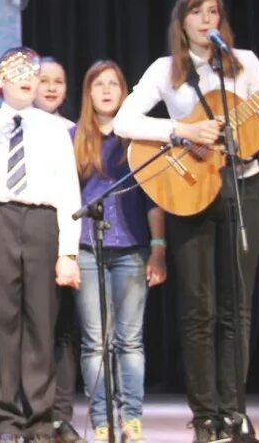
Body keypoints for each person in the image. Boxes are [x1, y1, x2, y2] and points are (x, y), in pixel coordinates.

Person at [112, 0, 259, 443]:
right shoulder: (165, 70)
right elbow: (124, 122)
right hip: (189, 190)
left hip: (243, 188)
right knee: (198, 309)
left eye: (213, 11)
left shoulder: (245, 63)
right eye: (196, 12)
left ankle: (235, 413)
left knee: (238, 309)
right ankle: (205, 417)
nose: (206, 19)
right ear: (182, 21)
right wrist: (182, 129)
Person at [0, 47, 82, 443]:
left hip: (42, 223)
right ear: (0, 78)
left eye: (32, 69)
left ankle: (40, 421)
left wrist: (68, 253)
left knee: (41, 323)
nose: (27, 76)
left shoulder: (55, 128)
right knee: (1, 324)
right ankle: (4, 421)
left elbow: (69, 191)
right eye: (17, 70)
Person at [72, 61, 167, 443]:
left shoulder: (139, 139)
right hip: (86, 247)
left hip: (132, 248)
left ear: (125, 92)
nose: (107, 90)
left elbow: (153, 199)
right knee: (94, 341)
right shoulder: (74, 136)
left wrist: (158, 249)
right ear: (88, 92)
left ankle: (131, 421)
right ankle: (100, 421)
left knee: (129, 341)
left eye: (114, 84)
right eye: (99, 84)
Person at [34, 56, 85, 443]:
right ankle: (32, 412)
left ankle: (61, 416)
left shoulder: (74, 132)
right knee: (31, 328)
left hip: (68, 236)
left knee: (64, 329)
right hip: (27, 234)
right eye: (43, 80)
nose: (51, 87)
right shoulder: (13, 126)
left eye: (58, 81)